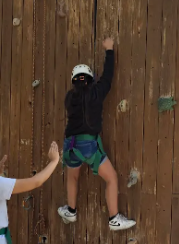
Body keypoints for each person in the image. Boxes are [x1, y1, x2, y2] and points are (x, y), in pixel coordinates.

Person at [58, 37, 136, 231]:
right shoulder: (96, 93)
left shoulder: (69, 98)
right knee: (111, 178)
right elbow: (108, 76)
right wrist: (109, 50)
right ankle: (114, 218)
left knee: (72, 177)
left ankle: (71, 210)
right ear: (91, 79)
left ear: (73, 81)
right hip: (88, 145)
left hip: (70, 145)